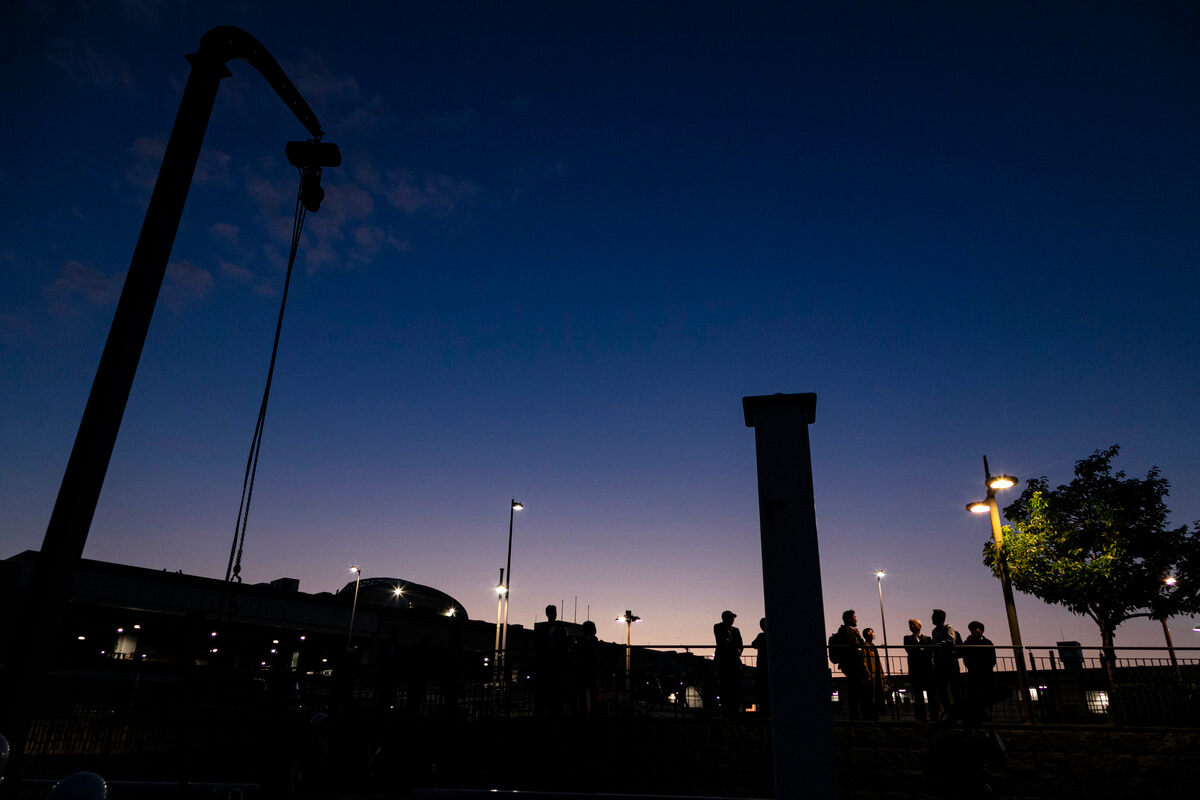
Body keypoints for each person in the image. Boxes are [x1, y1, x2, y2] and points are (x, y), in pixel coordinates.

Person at [535, 604, 570, 715]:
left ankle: (552, 711)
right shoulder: (557, 628)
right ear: (548, 614)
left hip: (553, 662)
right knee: (552, 689)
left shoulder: (557, 628)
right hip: (550, 662)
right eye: (552, 612)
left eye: (554, 612)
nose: (554, 614)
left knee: (552, 689)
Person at [834, 609, 868, 721]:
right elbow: (854, 645)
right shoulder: (844, 630)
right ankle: (858, 715)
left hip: (856, 665)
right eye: (854, 617)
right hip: (851, 665)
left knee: (855, 690)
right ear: (849, 619)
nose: (856, 619)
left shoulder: (852, 631)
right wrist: (858, 637)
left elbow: (861, 646)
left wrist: (859, 638)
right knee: (861, 688)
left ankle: (856, 715)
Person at [961, 620, 997, 723]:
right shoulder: (968, 643)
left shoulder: (988, 643)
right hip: (974, 672)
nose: (973, 631)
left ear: (981, 630)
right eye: (972, 629)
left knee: (987, 696)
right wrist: (971, 666)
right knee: (974, 696)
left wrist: (985, 667)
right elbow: (966, 658)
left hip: (986, 673)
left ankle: (987, 717)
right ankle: (976, 717)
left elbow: (992, 659)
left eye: (975, 629)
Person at [930, 608, 962, 721]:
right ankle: (949, 711)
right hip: (940, 661)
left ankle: (958, 712)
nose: (931, 618)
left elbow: (951, 640)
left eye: (933, 617)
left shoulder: (948, 628)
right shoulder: (934, 631)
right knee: (941, 689)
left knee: (955, 688)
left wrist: (938, 645)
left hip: (949, 660)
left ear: (940, 618)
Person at [713, 610, 744, 717]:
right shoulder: (718, 627)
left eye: (732, 618)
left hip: (733, 660)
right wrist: (735, 648)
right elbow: (722, 642)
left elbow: (740, 644)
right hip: (724, 660)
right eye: (730, 618)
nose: (731, 620)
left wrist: (737, 649)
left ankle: (732, 710)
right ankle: (726, 709)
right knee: (725, 686)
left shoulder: (735, 630)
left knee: (734, 686)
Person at [903, 618, 933, 722]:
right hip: (915, 670)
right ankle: (921, 716)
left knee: (931, 694)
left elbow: (929, 651)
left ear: (919, 626)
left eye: (913, 624)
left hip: (927, 669)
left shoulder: (928, 639)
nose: (912, 626)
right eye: (910, 625)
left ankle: (934, 715)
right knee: (918, 694)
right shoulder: (907, 638)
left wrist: (918, 650)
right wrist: (922, 650)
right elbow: (909, 650)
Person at [572, 619, 600, 715]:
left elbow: (578, 652)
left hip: (583, 670)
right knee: (592, 693)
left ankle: (584, 712)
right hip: (591, 670)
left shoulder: (583, 641)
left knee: (582, 692)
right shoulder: (594, 641)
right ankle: (592, 712)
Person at [862, 627, 887, 721]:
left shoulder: (873, 646)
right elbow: (864, 660)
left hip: (877, 673)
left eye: (872, 632)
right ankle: (871, 713)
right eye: (870, 632)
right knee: (871, 693)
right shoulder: (865, 646)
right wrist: (866, 671)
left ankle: (877, 712)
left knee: (878, 692)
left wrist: (882, 673)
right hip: (871, 674)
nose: (872, 634)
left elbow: (878, 662)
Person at [750, 617, 769, 716]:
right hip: (765, 665)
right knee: (764, 688)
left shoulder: (762, 636)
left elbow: (753, 644)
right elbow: (753, 644)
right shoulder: (762, 636)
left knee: (763, 688)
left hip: (763, 665)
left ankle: (764, 710)